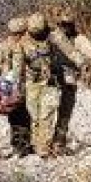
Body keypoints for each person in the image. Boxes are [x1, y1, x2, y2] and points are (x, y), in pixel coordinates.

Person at [51, 8, 91, 154]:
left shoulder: (78, 39)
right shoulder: (51, 37)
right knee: (45, 112)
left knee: (65, 111)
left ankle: (58, 141)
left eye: (68, 24)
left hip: (67, 78)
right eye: (63, 24)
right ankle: (44, 143)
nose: (65, 27)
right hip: (49, 79)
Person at [20, 13, 84, 157]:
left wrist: (81, 63)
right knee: (33, 114)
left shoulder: (54, 34)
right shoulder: (23, 38)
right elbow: (16, 59)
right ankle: (36, 144)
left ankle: (47, 146)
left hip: (51, 79)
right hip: (31, 80)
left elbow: (70, 51)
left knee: (47, 113)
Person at [0, 17, 32, 157]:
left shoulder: (8, 44)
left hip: (22, 84)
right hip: (16, 86)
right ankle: (21, 146)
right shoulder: (11, 45)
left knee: (23, 116)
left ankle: (24, 145)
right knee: (19, 116)